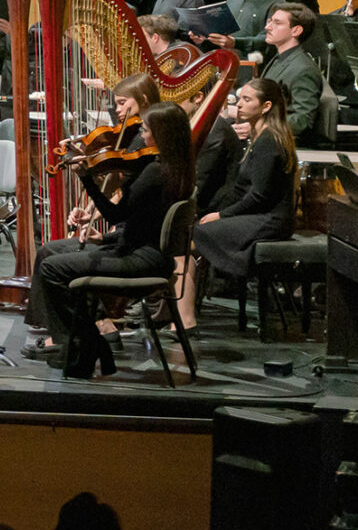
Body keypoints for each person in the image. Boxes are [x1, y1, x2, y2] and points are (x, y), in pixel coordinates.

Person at [31, 102, 195, 379]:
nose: (141, 136)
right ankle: (78, 342)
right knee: (49, 251)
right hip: (136, 247)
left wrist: (87, 179)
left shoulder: (156, 172)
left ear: (162, 134)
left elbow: (115, 213)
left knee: (52, 267)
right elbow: (142, 222)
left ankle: (85, 343)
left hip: (141, 259)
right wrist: (103, 237)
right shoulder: (175, 166)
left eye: (145, 130)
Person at [188, 77, 296, 316]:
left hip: (271, 220)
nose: (239, 105)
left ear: (266, 106)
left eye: (247, 100)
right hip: (261, 215)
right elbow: (241, 190)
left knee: (194, 235)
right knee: (194, 230)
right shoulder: (257, 137)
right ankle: (183, 310)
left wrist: (222, 215)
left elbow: (258, 196)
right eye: (239, 99)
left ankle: (182, 314)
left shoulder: (268, 140)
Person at [257, 3, 327, 148]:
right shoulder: (278, 59)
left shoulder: (303, 69)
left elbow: (302, 120)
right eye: (270, 21)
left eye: (277, 23)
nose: (267, 27)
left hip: (283, 146)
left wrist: (260, 125)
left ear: (296, 30)